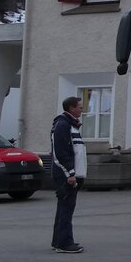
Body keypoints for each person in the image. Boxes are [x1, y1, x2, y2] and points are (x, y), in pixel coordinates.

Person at [50, 96, 87, 253]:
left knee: (64, 208)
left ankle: (59, 241)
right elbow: (60, 153)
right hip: (67, 176)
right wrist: (70, 173)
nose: (81, 110)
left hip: (73, 175)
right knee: (66, 208)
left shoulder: (71, 125)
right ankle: (64, 243)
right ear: (71, 108)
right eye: (79, 107)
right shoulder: (63, 125)